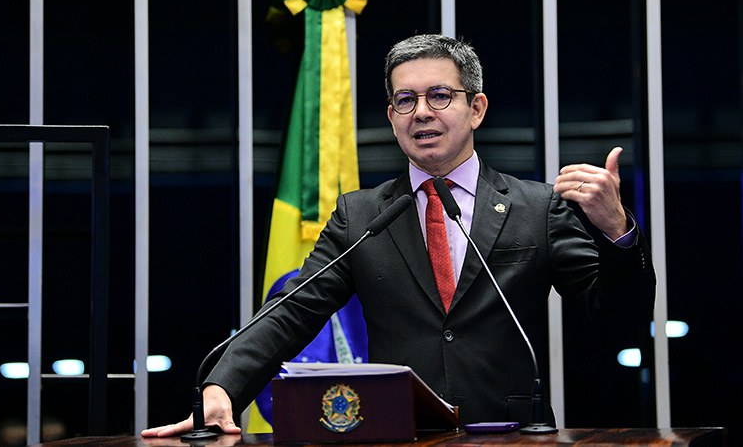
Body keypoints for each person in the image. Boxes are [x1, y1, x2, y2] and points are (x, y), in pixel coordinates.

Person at [142, 34, 656, 437]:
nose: (422, 112)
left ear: (476, 108)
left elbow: (618, 317)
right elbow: (291, 315)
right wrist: (222, 387)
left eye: (439, 96)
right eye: (405, 100)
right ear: (391, 118)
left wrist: (617, 230)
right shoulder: (361, 215)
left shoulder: (536, 207)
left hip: (512, 434)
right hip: (398, 434)